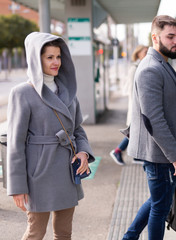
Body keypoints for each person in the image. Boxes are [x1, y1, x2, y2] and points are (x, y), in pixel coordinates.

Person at [7, 32, 94, 239]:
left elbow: (77, 129)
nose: (56, 62)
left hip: (66, 171)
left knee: (64, 232)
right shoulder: (22, 93)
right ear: (36, 60)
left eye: (58, 56)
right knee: (36, 232)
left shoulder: (68, 90)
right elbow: (15, 144)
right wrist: (17, 187)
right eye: (49, 57)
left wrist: (83, 152)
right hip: (37, 175)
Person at [122, 15, 176, 240]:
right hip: (160, 155)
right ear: (155, 37)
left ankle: (129, 237)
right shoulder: (150, 69)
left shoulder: (162, 63)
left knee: (157, 200)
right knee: (160, 207)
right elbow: (154, 120)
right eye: (170, 36)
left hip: (163, 154)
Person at [110, 45, 148, 165]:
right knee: (134, 131)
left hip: (140, 105)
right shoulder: (135, 68)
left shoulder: (141, 66)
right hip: (137, 106)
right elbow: (133, 89)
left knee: (136, 131)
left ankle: (134, 155)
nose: (147, 54)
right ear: (138, 54)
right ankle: (118, 151)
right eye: (145, 52)